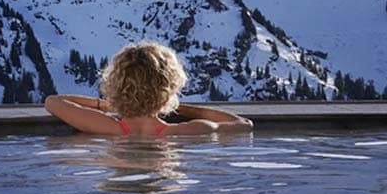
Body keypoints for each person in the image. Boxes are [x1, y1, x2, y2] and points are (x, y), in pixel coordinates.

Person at [43, 42, 252, 137]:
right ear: (169, 90)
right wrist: (181, 109)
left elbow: (52, 102)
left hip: (119, 189)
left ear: (115, 86)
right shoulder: (184, 131)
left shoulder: (105, 127)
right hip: (161, 181)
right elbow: (243, 125)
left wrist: (106, 106)